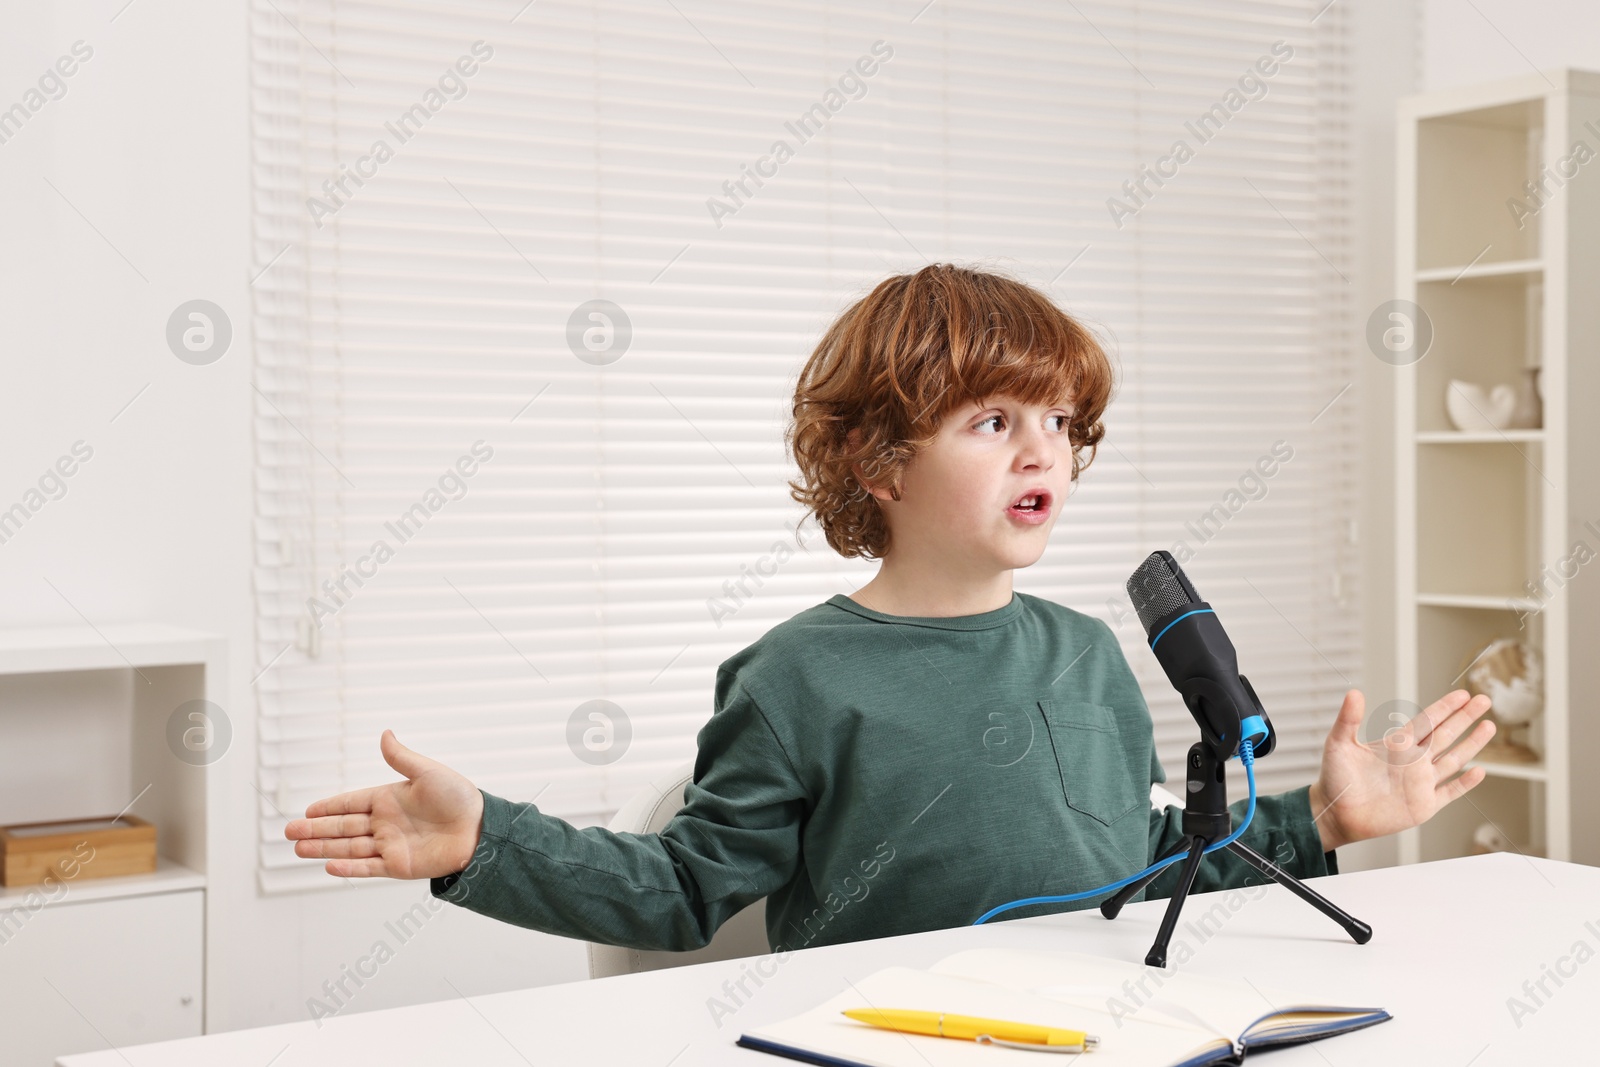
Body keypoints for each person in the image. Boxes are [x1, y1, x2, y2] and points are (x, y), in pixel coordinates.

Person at [284, 263, 1497, 954]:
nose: (1048, 452)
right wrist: (484, 837)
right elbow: (682, 889)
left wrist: (1325, 818)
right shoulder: (798, 676)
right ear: (879, 462)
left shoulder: (1085, 653)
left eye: (1061, 424)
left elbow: (1136, 867)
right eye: (994, 421)